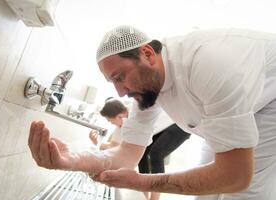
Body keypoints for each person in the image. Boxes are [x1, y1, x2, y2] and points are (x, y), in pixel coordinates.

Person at [28, 26, 276, 200]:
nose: (121, 92)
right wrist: (70, 160)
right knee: (208, 188)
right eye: (113, 83)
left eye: (120, 77)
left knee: (243, 192)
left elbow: (236, 176)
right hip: (245, 103)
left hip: (270, 102)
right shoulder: (149, 85)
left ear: (147, 54)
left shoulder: (206, 63)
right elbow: (127, 154)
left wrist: (141, 182)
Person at [89, 97, 191, 200]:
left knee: (156, 155)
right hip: (164, 128)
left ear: (120, 116)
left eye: (111, 121)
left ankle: (155, 198)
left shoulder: (134, 114)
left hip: (179, 124)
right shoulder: (122, 121)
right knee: (142, 155)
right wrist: (97, 142)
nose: (112, 124)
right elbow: (114, 145)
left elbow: (114, 146)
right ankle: (145, 194)